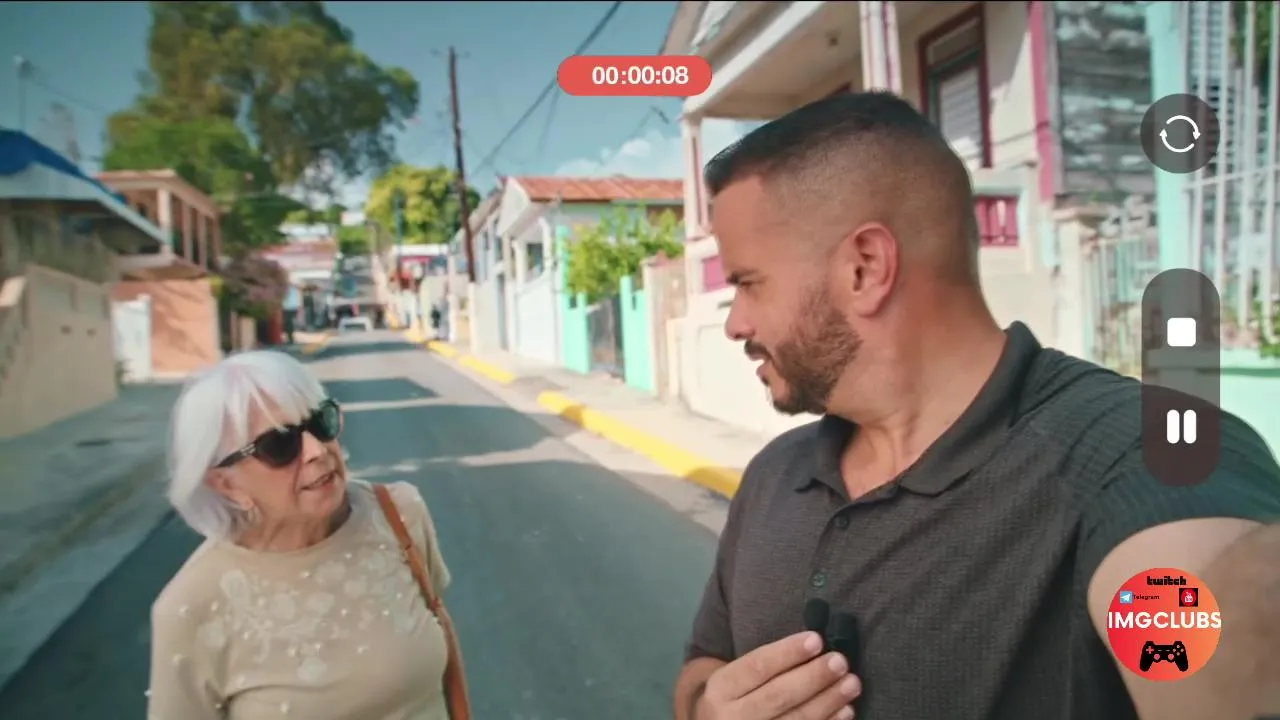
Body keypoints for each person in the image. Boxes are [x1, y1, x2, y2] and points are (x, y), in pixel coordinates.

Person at [673, 91, 1280, 720]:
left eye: (748, 283)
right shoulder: (775, 474)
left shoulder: (1134, 453)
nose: (735, 323)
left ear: (865, 268)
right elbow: (703, 667)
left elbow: (1209, 613)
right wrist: (708, 709)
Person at [148, 350, 458, 719]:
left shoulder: (399, 515)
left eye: (320, 422)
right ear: (226, 484)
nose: (316, 450)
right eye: (279, 444)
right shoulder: (189, 606)